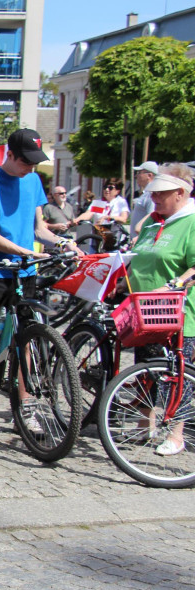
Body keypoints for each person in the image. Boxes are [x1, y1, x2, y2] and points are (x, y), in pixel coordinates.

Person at [0, 129, 83, 443]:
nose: (30, 167)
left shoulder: (33, 181)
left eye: (35, 161)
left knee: (24, 341)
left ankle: (24, 407)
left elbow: (39, 229)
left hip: (24, 274)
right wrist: (26, 251)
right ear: (10, 155)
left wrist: (63, 243)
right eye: (25, 161)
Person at [125, 164, 195, 455]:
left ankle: (176, 433)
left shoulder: (190, 222)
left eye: (161, 194)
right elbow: (137, 257)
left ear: (180, 193)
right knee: (146, 368)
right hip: (145, 310)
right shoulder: (153, 222)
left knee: (177, 374)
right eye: (153, 194)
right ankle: (145, 425)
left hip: (180, 312)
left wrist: (174, 283)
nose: (154, 199)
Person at [77, 179, 129, 249]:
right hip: (98, 237)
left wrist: (107, 217)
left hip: (114, 238)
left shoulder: (120, 202)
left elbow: (123, 219)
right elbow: (88, 214)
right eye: (105, 187)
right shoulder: (99, 203)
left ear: (117, 191)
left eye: (110, 188)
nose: (107, 190)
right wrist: (77, 219)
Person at [130, 161, 159, 236]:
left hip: (141, 240)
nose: (137, 176)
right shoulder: (146, 193)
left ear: (149, 175)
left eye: (139, 172)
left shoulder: (152, 194)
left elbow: (151, 217)